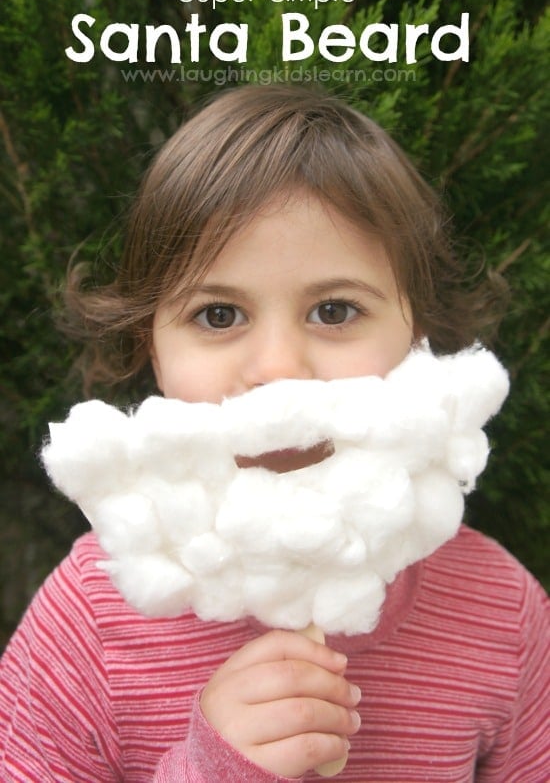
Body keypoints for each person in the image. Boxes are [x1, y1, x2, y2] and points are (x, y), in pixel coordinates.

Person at [1, 84, 548, 782]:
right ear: (153, 346)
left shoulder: (502, 613)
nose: (281, 371)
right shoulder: (90, 618)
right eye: (220, 317)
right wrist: (211, 770)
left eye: (335, 309)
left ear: (418, 333)